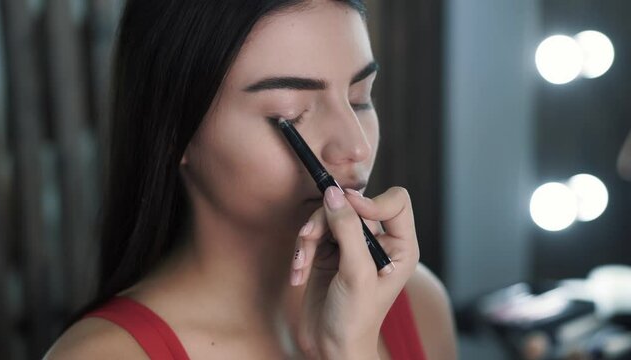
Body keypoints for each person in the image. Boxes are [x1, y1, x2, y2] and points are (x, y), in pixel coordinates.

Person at [45, 0, 456, 358]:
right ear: (173, 131)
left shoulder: (416, 303)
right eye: (291, 115)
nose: (357, 146)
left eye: (360, 98)